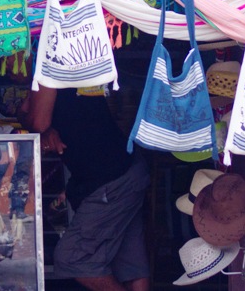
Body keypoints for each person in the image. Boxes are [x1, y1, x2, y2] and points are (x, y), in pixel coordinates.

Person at [20, 84, 150, 291]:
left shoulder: (46, 71)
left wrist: (41, 127)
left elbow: (37, 121)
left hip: (111, 179)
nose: (7, 65)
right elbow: (32, 114)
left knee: (72, 259)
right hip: (126, 168)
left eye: (8, 58)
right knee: (129, 264)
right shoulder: (64, 70)